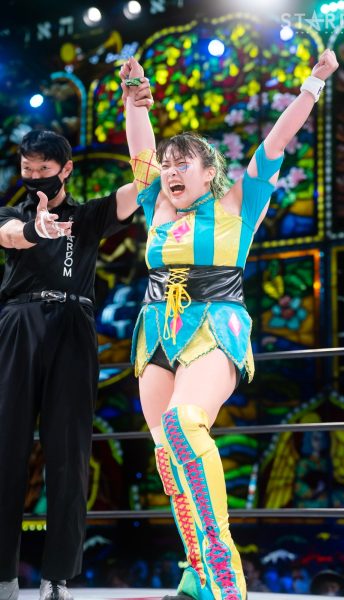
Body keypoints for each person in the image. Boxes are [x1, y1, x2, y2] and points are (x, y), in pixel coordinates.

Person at [121, 49, 339, 600]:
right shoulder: (157, 206)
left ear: (210, 171)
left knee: (183, 426)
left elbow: (277, 140)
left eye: (182, 164)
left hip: (215, 325)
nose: (170, 171)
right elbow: (140, 150)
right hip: (157, 331)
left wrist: (313, 84)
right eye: (167, 165)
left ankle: (225, 575)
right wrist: (133, 98)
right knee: (168, 457)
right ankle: (195, 572)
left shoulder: (241, 202)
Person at [0, 80, 153, 600]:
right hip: (17, 324)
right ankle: (3, 576)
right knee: (6, 448)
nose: (33, 177)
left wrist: (133, 108)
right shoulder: (12, 215)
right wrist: (36, 231)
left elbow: (145, 182)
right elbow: (9, 236)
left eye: (43, 168)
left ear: (65, 170)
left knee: (69, 452)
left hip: (73, 326)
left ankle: (57, 577)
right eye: (27, 169)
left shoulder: (89, 216)